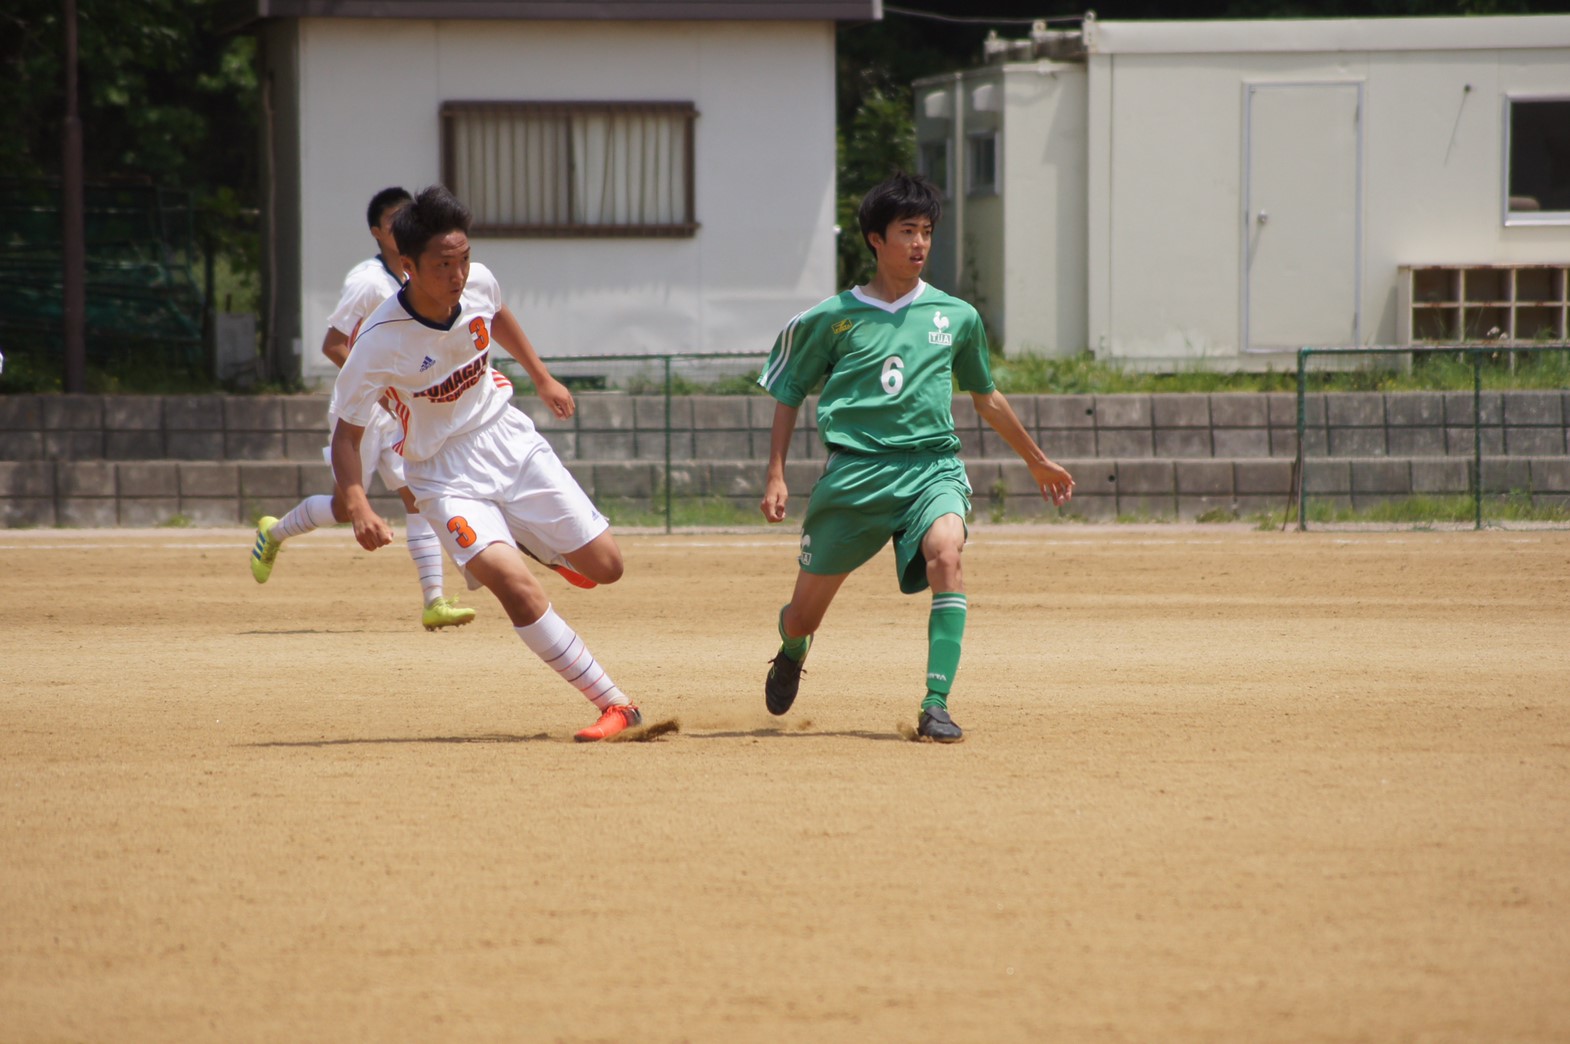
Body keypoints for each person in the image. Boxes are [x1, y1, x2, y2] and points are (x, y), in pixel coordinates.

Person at [756, 171, 1074, 743]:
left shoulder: (958, 316)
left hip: (932, 469)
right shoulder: (831, 317)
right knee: (803, 614)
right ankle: (793, 647)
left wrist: (1036, 459)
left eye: (926, 231)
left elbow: (986, 396)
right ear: (876, 238)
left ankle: (936, 705)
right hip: (856, 475)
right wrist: (776, 473)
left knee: (947, 555)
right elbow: (789, 392)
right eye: (907, 231)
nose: (920, 242)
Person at [329, 185, 641, 742]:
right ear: (408, 267)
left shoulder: (480, 282)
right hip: (441, 473)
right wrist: (357, 504)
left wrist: (542, 377)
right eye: (443, 265)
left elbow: (496, 315)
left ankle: (528, 538)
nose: (458, 275)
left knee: (607, 567)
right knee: (513, 586)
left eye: (464, 259)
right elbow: (346, 436)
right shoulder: (377, 342)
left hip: (507, 439)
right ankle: (616, 703)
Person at [248, 187, 477, 630]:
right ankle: (272, 532)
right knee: (344, 506)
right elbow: (334, 344)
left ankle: (434, 600)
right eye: (392, 221)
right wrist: (382, 389)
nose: (403, 226)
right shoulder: (367, 282)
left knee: (418, 495)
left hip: (399, 410)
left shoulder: (426, 276)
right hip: (363, 411)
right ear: (377, 232)